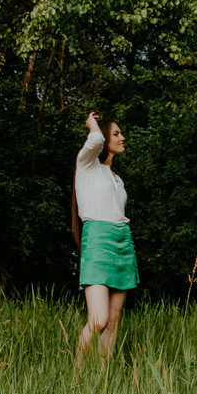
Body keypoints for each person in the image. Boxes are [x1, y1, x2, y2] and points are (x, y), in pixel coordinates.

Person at [73, 110, 139, 365]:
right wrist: (92, 125)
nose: (123, 138)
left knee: (113, 321)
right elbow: (95, 141)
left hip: (122, 242)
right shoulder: (87, 165)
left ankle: (104, 376)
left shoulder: (117, 179)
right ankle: (76, 374)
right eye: (117, 133)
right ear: (105, 137)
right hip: (98, 241)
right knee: (98, 319)